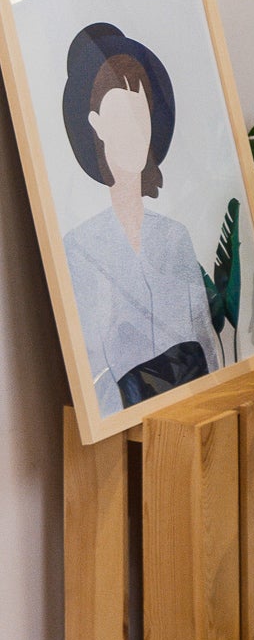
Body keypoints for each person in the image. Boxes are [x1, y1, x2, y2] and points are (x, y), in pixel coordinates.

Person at [61, 23, 221, 416]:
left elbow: (208, 349)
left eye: (141, 114)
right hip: (123, 427)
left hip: (194, 414)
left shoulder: (174, 237)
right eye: (119, 116)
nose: (133, 131)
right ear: (96, 124)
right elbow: (92, 371)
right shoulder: (79, 248)